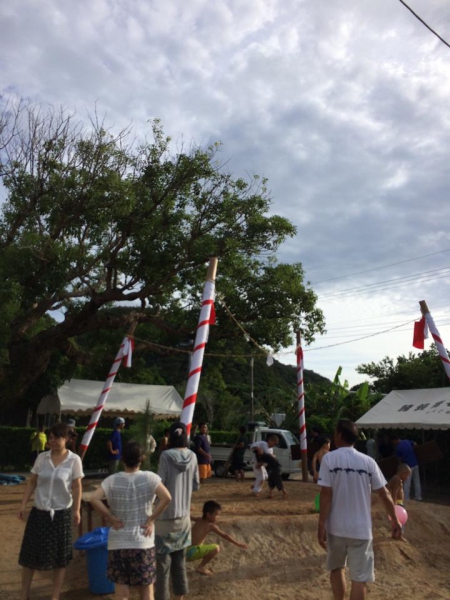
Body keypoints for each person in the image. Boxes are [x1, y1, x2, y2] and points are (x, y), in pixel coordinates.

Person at [318, 419, 402, 600]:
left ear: (339, 435)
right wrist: (394, 520)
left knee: (336, 568)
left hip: (336, 528)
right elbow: (385, 494)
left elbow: (325, 494)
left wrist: (321, 524)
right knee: (359, 580)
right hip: (361, 530)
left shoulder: (329, 459)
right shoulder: (368, 462)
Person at [90, 441, 172, 600]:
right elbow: (167, 497)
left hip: (118, 543)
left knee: (121, 593)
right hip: (143, 542)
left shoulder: (112, 480)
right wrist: (151, 519)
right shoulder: (150, 478)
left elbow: (94, 499)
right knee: (146, 591)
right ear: (142, 458)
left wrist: (110, 517)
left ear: (122, 459)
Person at [18, 422, 84, 600]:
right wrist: (23, 504)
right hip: (39, 512)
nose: (52, 440)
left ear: (67, 439)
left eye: (57, 437)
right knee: (29, 555)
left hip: (61, 514)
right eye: (51, 437)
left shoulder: (74, 460)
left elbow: (77, 487)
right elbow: (32, 481)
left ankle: (54, 597)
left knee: (59, 559)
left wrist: (76, 510)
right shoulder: (42, 458)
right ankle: (24, 595)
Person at [155, 421, 199, 600]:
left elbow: (160, 483)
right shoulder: (193, 456)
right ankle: (180, 597)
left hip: (165, 517)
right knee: (180, 561)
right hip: (184, 518)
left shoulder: (165, 456)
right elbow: (196, 485)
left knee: (162, 566)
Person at [186, 500, 248, 575]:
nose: (218, 517)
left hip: (185, 550)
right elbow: (225, 535)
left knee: (202, 544)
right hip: (191, 553)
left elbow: (188, 516)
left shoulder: (199, 519)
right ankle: (201, 567)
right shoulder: (210, 526)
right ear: (208, 515)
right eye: (216, 515)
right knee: (216, 548)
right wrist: (238, 543)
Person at [391, 435, 422, 501]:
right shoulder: (406, 441)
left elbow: (399, 459)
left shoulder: (398, 447)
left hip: (408, 466)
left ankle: (406, 498)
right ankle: (418, 496)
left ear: (395, 440)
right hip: (415, 463)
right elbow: (415, 443)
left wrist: (400, 467)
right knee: (417, 481)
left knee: (407, 482)